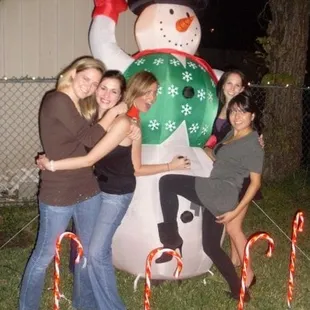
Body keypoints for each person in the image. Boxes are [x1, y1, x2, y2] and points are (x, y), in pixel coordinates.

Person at [38, 70, 190, 310]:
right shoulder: (91, 117)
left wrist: (53, 165)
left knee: (97, 253)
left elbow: (129, 167)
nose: (152, 98)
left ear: (122, 93)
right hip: (93, 189)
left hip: (115, 194)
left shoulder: (126, 122)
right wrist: (52, 155)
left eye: (155, 93)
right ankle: (84, 303)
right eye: (148, 92)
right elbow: (77, 143)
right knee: (88, 250)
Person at [18, 56, 139, 310]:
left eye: (96, 83)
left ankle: (84, 305)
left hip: (88, 190)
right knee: (44, 256)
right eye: (87, 79)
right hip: (57, 192)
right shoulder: (58, 99)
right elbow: (89, 138)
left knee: (83, 254)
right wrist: (116, 114)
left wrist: (130, 124)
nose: (91, 86)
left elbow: (91, 141)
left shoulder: (81, 106)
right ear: (73, 74)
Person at [155, 93, 264, 301]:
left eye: (243, 112)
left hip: (221, 193)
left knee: (167, 182)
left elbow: (255, 183)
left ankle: (172, 239)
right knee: (211, 246)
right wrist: (205, 150)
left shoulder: (253, 144)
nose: (237, 116)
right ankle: (239, 291)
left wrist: (236, 210)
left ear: (252, 116)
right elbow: (217, 156)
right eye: (233, 111)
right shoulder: (232, 133)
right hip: (216, 191)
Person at [205, 69, 263, 286]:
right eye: (229, 83)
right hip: (224, 174)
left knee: (233, 226)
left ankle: (249, 275)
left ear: (243, 89)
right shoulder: (213, 108)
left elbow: (251, 139)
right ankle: (234, 260)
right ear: (222, 85)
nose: (233, 88)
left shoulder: (239, 115)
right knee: (233, 225)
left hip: (240, 177)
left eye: (238, 85)